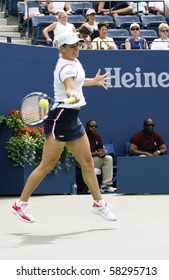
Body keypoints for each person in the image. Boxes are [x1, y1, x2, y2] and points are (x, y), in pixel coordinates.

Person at [11, 31, 117, 223]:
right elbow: (69, 85)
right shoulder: (65, 67)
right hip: (60, 119)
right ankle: (20, 204)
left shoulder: (74, 61)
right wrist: (72, 93)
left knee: (87, 163)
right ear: (62, 48)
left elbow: (77, 81)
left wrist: (93, 81)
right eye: (72, 46)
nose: (76, 49)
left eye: (78, 45)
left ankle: (98, 203)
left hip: (72, 118)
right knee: (47, 165)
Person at [86, 120, 116, 193]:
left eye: (95, 126)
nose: (94, 128)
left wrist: (103, 153)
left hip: (93, 159)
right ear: (87, 127)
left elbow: (100, 150)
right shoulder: (83, 137)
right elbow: (84, 154)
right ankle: (92, 187)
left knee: (108, 158)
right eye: (91, 126)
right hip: (84, 160)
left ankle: (106, 185)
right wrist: (97, 153)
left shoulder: (97, 136)